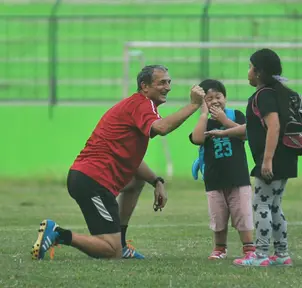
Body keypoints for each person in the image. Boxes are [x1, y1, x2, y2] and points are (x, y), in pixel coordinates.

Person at [31, 65, 206, 260]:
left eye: (169, 82)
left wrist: (157, 181)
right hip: (93, 181)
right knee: (110, 251)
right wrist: (193, 105)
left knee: (136, 182)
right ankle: (58, 233)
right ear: (144, 86)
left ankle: (121, 244)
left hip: (88, 178)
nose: (168, 87)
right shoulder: (142, 104)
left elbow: (132, 161)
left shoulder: (137, 105)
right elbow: (162, 128)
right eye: (162, 82)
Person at [205, 49, 302, 267]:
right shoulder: (285, 93)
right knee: (274, 206)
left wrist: (267, 159)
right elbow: (252, 128)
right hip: (289, 158)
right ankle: (282, 254)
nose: (248, 72)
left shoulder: (263, 95)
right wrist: (223, 132)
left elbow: (274, 126)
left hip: (273, 158)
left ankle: (261, 255)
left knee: (261, 204)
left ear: (259, 72)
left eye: (250, 67)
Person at [189, 79, 255, 263]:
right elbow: (197, 139)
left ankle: (249, 248)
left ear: (225, 98)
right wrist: (203, 115)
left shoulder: (236, 115)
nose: (214, 101)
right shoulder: (204, 123)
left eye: (218, 96)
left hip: (239, 178)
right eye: (209, 99)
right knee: (218, 217)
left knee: (243, 213)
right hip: (214, 180)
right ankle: (220, 248)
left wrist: (225, 121)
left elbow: (246, 133)